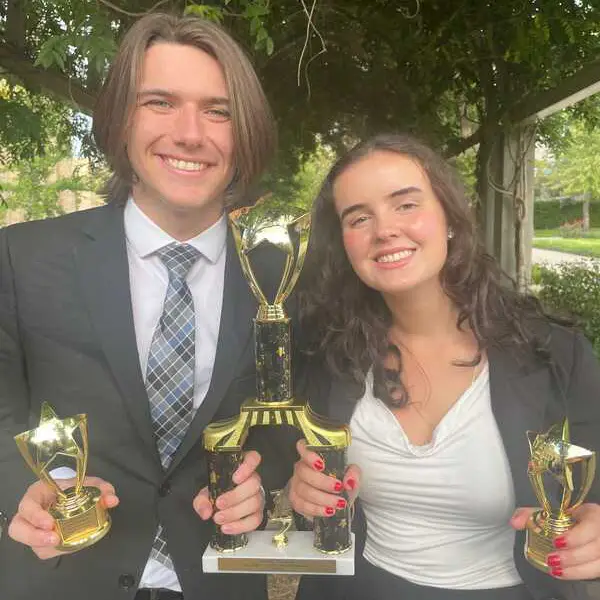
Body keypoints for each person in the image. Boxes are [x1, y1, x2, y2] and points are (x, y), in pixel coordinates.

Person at [0, 13, 291, 600]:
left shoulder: (279, 278)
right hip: (60, 578)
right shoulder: (21, 257)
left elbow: (282, 429)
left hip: (218, 581)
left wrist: (265, 483)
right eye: (160, 102)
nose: (190, 133)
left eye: (219, 110)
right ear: (121, 121)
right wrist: (17, 495)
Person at [289, 133, 600, 600]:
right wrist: (304, 492)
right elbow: (300, 487)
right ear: (344, 245)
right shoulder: (332, 356)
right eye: (359, 217)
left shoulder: (555, 355)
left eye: (406, 204)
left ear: (450, 218)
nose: (385, 230)